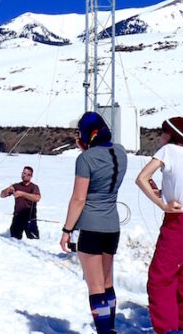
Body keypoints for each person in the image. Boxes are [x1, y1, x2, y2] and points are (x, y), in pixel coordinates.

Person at [136, 116, 183, 334]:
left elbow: (141, 178)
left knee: (159, 278)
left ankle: (167, 329)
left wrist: (162, 204)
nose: (160, 136)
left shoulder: (167, 151)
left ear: (170, 135)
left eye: (162, 132)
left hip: (177, 223)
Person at [60, 112, 128, 334]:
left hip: (91, 226)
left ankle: (103, 332)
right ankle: (110, 328)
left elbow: (79, 198)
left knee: (95, 287)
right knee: (107, 283)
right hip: (112, 225)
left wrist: (67, 230)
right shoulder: (120, 152)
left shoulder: (85, 159)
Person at [1, 165, 41, 239]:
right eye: (23, 173)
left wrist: (22, 194)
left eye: (27, 174)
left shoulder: (34, 187)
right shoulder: (16, 186)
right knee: (13, 240)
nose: (24, 176)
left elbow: (37, 198)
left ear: (31, 176)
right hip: (17, 217)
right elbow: (2, 195)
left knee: (34, 240)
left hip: (30, 218)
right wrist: (7, 190)